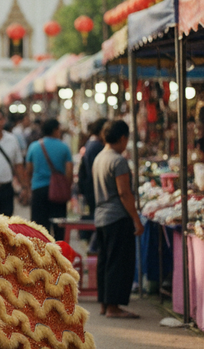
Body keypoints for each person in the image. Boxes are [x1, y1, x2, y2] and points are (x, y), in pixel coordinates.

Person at [92, 119, 144, 319]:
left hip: (102, 217)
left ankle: (105, 304)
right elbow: (124, 193)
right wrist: (136, 219)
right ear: (123, 138)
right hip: (117, 217)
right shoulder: (118, 160)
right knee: (117, 263)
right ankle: (113, 307)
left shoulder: (99, 157)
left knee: (105, 261)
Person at [25, 118, 74, 240]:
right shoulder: (64, 147)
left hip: (38, 190)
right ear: (55, 130)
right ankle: (59, 254)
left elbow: (29, 170)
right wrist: (66, 187)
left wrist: (29, 186)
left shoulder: (34, 147)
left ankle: (42, 256)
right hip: (58, 192)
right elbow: (69, 172)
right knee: (59, 226)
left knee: (39, 229)